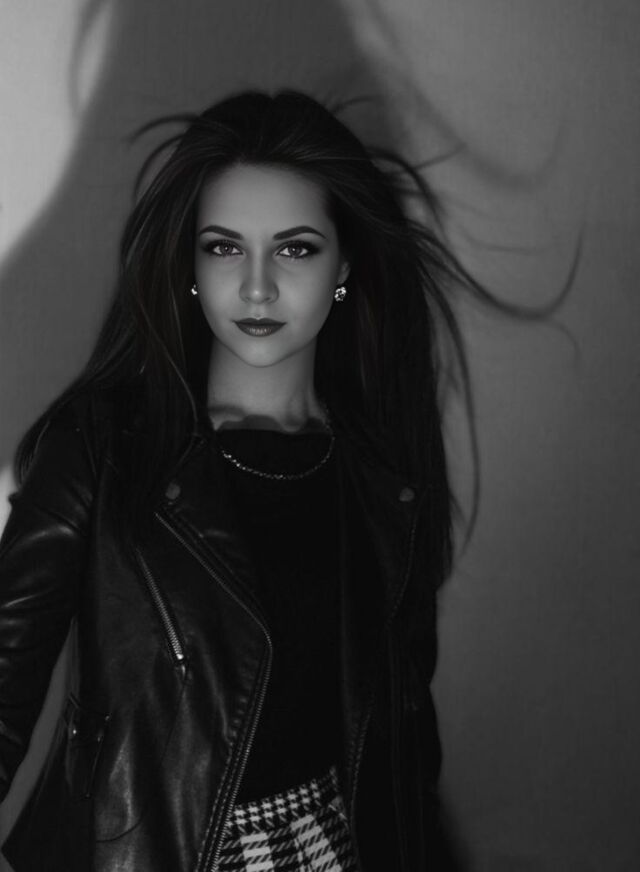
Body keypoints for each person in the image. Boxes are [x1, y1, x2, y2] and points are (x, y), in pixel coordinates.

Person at [0, 89, 476, 871]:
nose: (256, 288)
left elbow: (404, 756)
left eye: (295, 249)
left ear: (344, 265)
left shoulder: (383, 482)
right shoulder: (102, 448)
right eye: (224, 248)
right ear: (190, 264)